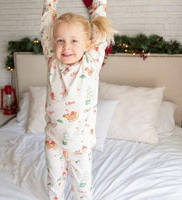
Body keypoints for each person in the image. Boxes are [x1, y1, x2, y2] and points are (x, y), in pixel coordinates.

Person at [40, 0, 115, 199]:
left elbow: (100, 17)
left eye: (74, 41)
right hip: (53, 139)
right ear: (52, 42)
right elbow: (47, 24)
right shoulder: (52, 61)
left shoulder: (91, 63)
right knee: (54, 182)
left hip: (80, 143)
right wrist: (50, 3)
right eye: (60, 41)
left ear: (88, 44)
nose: (66, 47)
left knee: (82, 187)